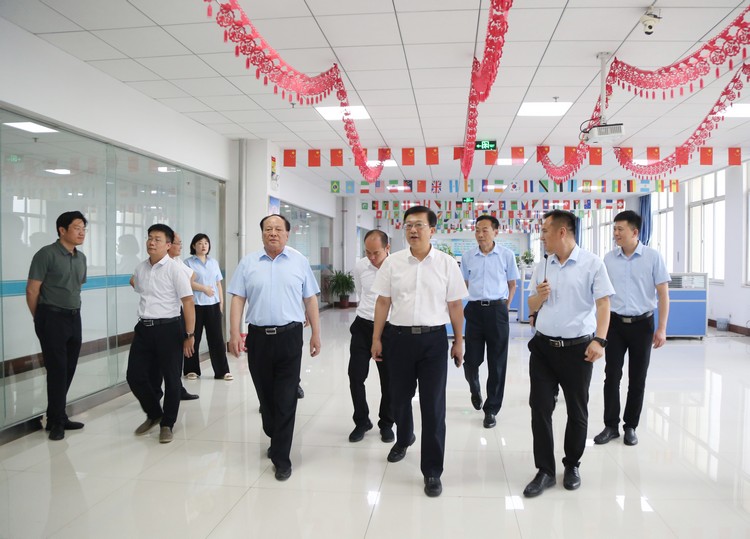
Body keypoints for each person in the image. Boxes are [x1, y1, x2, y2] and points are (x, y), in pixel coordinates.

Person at [371, 205, 467, 498]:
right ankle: (405, 437)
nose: (413, 230)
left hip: (433, 342)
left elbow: (454, 306)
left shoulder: (447, 264)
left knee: (433, 407)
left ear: (432, 230)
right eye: (408, 225)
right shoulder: (393, 263)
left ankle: (432, 471)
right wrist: (376, 338)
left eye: (419, 225)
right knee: (398, 398)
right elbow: (383, 302)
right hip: (398, 338)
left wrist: (459, 340)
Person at [523, 210, 614, 498]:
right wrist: (539, 296)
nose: (542, 236)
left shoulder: (592, 264)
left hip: (578, 350)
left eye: (546, 231)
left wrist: (600, 340)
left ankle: (572, 464)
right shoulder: (543, 265)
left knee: (577, 410)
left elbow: (603, 305)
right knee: (540, 408)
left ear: (563, 232)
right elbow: (531, 305)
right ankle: (545, 471)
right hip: (543, 349)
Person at [228, 214, 321, 481]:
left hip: (290, 336)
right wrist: (235, 333)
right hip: (258, 338)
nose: (273, 233)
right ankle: (274, 431)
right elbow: (237, 299)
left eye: (278, 229)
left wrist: (316, 333)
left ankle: (282, 457)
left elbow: (311, 300)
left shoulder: (299, 262)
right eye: (268, 229)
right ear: (261, 234)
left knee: (286, 397)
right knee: (266, 398)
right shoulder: (248, 263)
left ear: (287, 234)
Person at [594, 210, 670, 447]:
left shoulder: (652, 257)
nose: (615, 233)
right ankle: (610, 425)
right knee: (611, 376)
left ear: (635, 232)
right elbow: (602, 296)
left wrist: (662, 329)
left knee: (637, 378)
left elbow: (663, 294)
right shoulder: (608, 259)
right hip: (615, 325)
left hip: (642, 325)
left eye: (620, 229)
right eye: (614, 229)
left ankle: (630, 426)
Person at [127, 224, 195, 444]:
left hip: (169, 329)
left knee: (172, 379)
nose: (151, 242)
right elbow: (138, 287)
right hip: (144, 328)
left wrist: (189, 334)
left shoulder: (175, 269)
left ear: (168, 245)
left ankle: (167, 423)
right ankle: (154, 413)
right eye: (149, 238)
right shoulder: (141, 268)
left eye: (157, 239)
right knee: (135, 376)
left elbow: (188, 301)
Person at [26, 211, 88, 441]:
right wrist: (40, 318)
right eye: (77, 227)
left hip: (74, 317)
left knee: (69, 367)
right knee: (57, 369)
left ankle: (56, 415)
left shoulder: (80, 258)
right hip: (51, 316)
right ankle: (56, 421)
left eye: (84, 228)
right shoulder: (46, 254)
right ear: (62, 230)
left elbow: (77, 287)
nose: (81, 232)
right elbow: (32, 290)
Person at [460, 215, 519, 429]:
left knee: (497, 363)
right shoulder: (468, 256)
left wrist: (505, 305)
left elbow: (512, 284)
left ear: (496, 231)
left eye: (485, 230)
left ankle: (491, 408)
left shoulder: (506, 255)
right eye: (477, 230)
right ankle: (474, 387)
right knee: (471, 360)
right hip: (474, 311)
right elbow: (464, 282)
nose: (480, 234)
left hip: (497, 311)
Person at [347, 229, 394, 443]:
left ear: (387, 248)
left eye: (376, 253)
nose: (372, 258)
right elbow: (361, 292)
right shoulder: (360, 266)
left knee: (389, 380)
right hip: (362, 326)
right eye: (368, 253)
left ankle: (386, 423)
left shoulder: (397, 267)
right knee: (356, 376)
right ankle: (361, 421)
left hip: (389, 329)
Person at [184, 233, 232, 381]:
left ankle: (222, 371)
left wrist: (221, 303)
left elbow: (218, 284)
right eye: (200, 243)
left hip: (213, 305)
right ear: (193, 246)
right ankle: (191, 370)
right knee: (194, 338)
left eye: (206, 243)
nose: (203, 245)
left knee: (217, 339)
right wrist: (204, 288)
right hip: (195, 305)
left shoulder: (213, 262)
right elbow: (186, 282)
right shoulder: (188, 263)